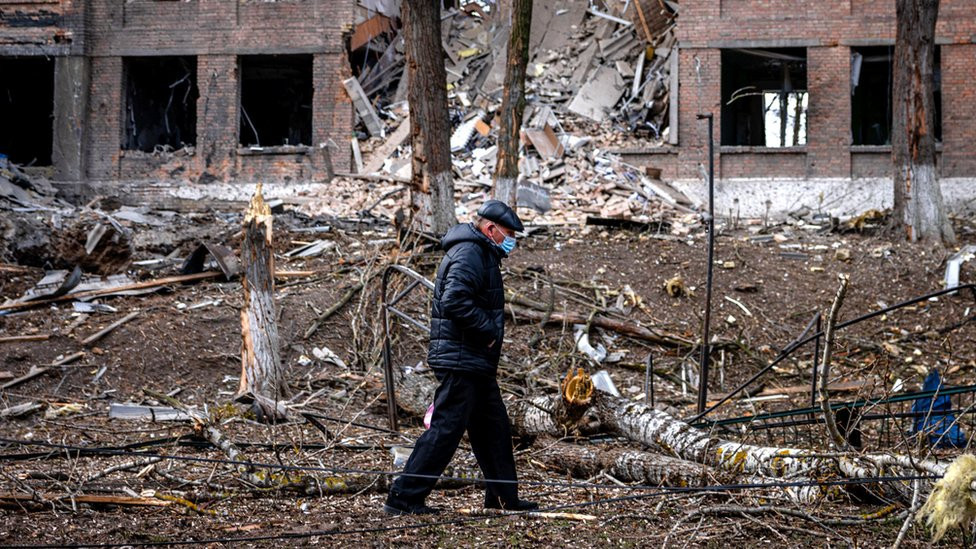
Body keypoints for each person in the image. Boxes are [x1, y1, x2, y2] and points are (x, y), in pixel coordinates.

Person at [384, 200, 539, 516]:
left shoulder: (482, 253)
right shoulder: (470, 253)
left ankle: (502, 498)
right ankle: (403, 498)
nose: (511, 241)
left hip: (474, 360)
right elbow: (454, 300)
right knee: (445, 428)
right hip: (462, 358)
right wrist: (488, 332)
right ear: (490, 229)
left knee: (494, 429)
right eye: (508, 234)